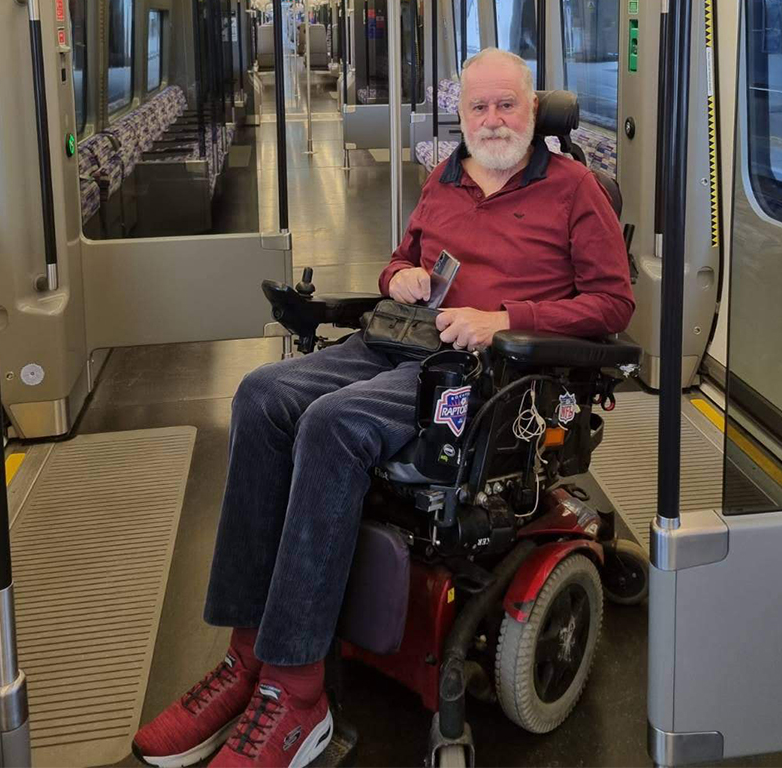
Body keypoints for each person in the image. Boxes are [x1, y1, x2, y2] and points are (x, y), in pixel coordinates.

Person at [131, 47, 634, 768]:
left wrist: (504, 318)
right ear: (460, 113)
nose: (492, 119)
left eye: (508, 104)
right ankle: (248, 654)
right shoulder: (445, 178)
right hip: (402, 341)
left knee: (334, 424)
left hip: (483, 375)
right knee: (262, 395)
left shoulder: (575, 190)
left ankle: (297, 693)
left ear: (534, 106)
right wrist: (398, 276)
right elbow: (399, 259)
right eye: (478, 107)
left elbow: (614, 303)